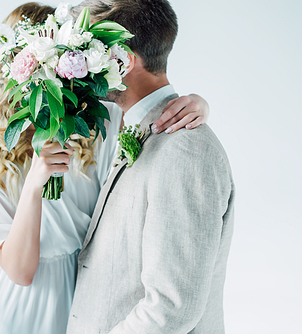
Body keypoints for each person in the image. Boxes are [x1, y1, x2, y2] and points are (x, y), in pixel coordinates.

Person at [0, 2, 211, 333]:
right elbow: (20, 272)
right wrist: (34, 184)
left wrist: (197, 102)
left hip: (88, 303)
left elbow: (150, 109)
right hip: (16, 310)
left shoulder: (99, 128)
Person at [66, 1, 235, 333]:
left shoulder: (185, 149)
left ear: (122, 61)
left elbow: (171, 307)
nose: (81, 66)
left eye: (89, 51)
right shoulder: (129, 125)